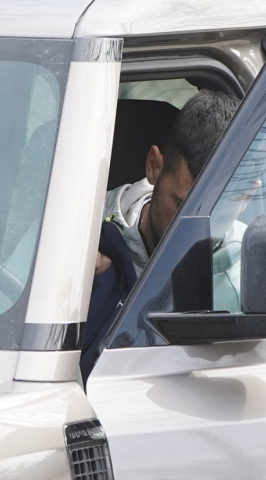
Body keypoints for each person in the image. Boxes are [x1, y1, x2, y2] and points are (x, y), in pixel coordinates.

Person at [80, 90, 241, 380]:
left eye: (215, 214)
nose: (193, 231)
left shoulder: (252, 275)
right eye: (181, 207)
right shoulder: (75, 227)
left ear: (246, 196)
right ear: (154, 167)